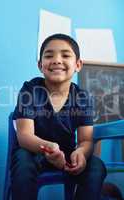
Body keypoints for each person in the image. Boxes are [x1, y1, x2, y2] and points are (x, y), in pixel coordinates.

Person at [11, 33, 107, 200]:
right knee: (22, 159)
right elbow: (24, 136)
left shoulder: (82, 97)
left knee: (96, 166)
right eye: (49, 55)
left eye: (65, 55)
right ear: (40, 65)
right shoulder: (30, 90)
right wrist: (50, 148)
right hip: (35, 153)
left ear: (78, 64)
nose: (56, 60)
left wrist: (82, 154)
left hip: (67, 155)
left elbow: (85, 140)